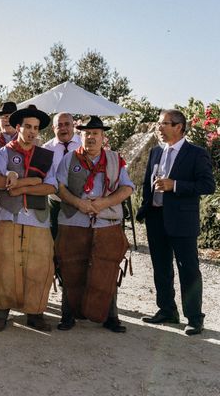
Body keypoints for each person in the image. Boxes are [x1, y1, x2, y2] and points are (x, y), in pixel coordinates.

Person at [136, 109, 215, 335]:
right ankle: (167, 310)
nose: (158, 128)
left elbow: (208, 185)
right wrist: (145, 209)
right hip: (156, 218)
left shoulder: (196, 154)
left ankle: (195, 318)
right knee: (161, 268)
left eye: (164, 124)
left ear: (179, 127)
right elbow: (146, 184)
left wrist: (176, 185)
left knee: (188, 269)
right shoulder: (155, 152)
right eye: (158, 124)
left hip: (182, 220)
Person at [55, 116, 134, 333]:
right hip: (74, 222)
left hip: (106, 223)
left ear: (103, 136)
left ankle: (111, 317)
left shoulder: (115, 160)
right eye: (86, 133)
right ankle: (68, 315)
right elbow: (60, 188)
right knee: (71, 268)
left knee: (107, 269)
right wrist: (79, 203)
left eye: (95, 133)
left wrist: (103, 203)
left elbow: (127, 188)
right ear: (80, 135)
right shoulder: (69, 159)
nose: (91, 137)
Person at [0, 105, 57, 332]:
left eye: (35, 128)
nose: (31, 132)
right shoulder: (3, 153)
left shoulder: (46, 156)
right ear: (18, 127)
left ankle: (35, 313)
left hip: (37, 219)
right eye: (27, 126)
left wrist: (20, 185)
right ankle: (1, 311)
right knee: (4, 264)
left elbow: (51, 185)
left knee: (39, 266)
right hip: (8, 217)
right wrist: (29, 182)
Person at [42, 113, 81, 239]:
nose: (63, 128)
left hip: (81, 203)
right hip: (56, 203)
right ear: (53, 128)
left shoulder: (84, 144)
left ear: (73, 125)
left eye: (67, 124)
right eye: (59, 125)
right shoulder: (46, 149)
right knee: (57, 241)